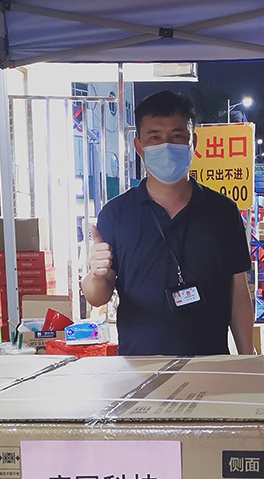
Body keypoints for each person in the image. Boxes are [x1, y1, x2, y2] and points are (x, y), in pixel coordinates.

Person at [82, 91, 254, 356]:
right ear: (139, 147)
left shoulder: (223, 212)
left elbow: (239, 295)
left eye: (176, 136)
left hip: (212, 365)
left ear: (193, 142)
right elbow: (97, 296)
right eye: (155, 137)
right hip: (139, 366)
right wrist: (96, 274)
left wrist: (247, 358)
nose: (166, 146)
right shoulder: (116, 214)